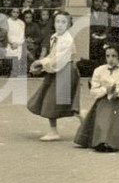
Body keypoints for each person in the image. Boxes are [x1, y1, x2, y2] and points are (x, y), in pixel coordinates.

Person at [27, 10, 81, 141]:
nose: (60, 24)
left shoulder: (67, 40)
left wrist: (41, 63)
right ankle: (54, 130)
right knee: (48, 99)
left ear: (69, 25)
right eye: (57, 21)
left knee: (54, 101)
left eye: (64, 22)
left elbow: (59, 59)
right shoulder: (55, 37)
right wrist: (41, 64)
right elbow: (52, 56)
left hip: (66, 71)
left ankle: (84, 118)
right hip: (57, 71)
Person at [74, 45, 119, 152]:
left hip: (118, 102)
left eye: (114, 56)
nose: (110, 59)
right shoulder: (99, 70)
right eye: (108, 56)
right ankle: (100, 141)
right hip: (103, 101)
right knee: (102, 121)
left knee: (115, 122)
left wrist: (118, 92)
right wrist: (104, 90)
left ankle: (112, 143)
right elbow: (93, 91)